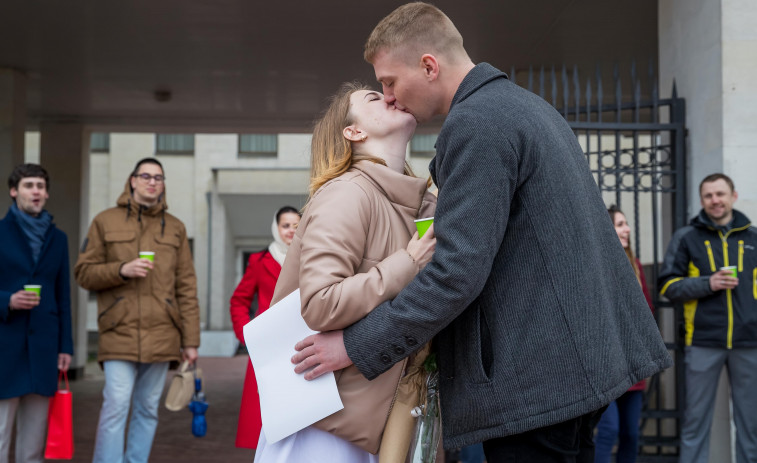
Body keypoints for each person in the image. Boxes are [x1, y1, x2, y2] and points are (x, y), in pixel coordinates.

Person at [290, 3, 672, 462]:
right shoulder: (526, 107)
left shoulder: (477, 123)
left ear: (429, 65)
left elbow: (455, 273)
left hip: (537, 384)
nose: (389, 96)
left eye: (389, 82)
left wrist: (356, 345)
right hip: (573, 370)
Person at [253, 82, 436, 462]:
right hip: (323, 429)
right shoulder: (346, 193)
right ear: (354, 132)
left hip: (375, 421)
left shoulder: (417, 203)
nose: (389, 95)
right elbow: (319, 303)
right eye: (373, 98)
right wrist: (409, 262)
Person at [74, 157, 201, 463]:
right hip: (119, 330)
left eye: (158, 177)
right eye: (145, 176)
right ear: (132, 180)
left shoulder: (175, 228)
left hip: (162, 333)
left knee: (147, 408)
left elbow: (186, 285)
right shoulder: (105, 221)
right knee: (116, 404)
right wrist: (121, 269)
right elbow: (83, 273)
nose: (152, 182)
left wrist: (191, 340)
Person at [659, 173, 757, 463]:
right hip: (702, 341)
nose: (715, 200)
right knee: (695, 422)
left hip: (750, 343)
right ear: (701, 200)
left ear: (733, 196)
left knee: (751, 424)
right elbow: (667, 285)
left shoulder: (754, 239)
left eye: (720, 194)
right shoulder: (687, 238)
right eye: (708, 196)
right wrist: (708, 283)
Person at [0, 164, 73, 463]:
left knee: (33, 446)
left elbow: (63, 295)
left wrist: (65, 346)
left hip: (43, 349)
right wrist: (7, 300)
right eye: (29, 185)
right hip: (5, 348)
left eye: (41, 186)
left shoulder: (59, 239)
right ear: (14, 191)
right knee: (0, 437)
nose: (36, 192)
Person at [229, 205, 300, 450]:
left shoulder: (311, 258)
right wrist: (247, 336)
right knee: (264, 418)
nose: (291, 230)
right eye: (286, 225)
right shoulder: (259, 261)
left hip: (301, 344)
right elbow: (239, 300)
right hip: (267, 347)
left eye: (296, 225)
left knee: (299, 414)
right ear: (276, 228)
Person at [594, 205, 655, 463]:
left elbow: (648, 312)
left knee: (631, 433)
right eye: (620, 224)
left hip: (633, 362)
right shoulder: (596, 266)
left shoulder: (636, 266)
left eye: (626, 223)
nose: (627, 229)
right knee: (608, 430)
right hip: (605, 364)